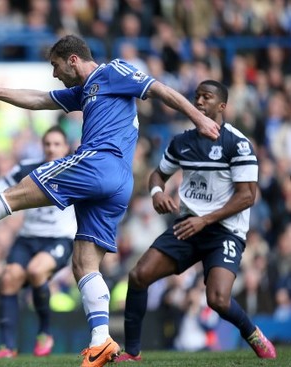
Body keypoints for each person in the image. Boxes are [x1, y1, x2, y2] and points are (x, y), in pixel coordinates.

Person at [0, 35, 220, 367]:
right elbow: (41, 99)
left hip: (96, 163)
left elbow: (160, 89)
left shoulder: (113, 71)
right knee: (84, 263)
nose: (54, 74)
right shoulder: (85, 91)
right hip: (117, 183)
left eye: (55, 66)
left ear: (72, 60)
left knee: (12, 196)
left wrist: (198, 118)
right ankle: (101, 341)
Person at [114, 80, 277, 362]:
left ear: (222, 106)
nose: (199, 101)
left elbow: (247, 196)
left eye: (207, 97)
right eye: (197, 96)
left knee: (218, 300)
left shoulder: (237, 143)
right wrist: (156, 192)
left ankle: (253, 333)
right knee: (138, 276)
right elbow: (158, 174)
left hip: (224, 231)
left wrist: (205, 221)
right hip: (188, 226)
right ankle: (132, 353)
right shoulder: (182, 141)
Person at [0, 126, 76, 359]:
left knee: (36, 271)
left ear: (66, 148)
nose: (51, 149)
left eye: (57, 144)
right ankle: (7, 347)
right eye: (48, 144)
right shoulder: (27, 168)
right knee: (9, 277)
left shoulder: (76, 170)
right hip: (27, 238)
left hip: (59, 238)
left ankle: (45, 333)